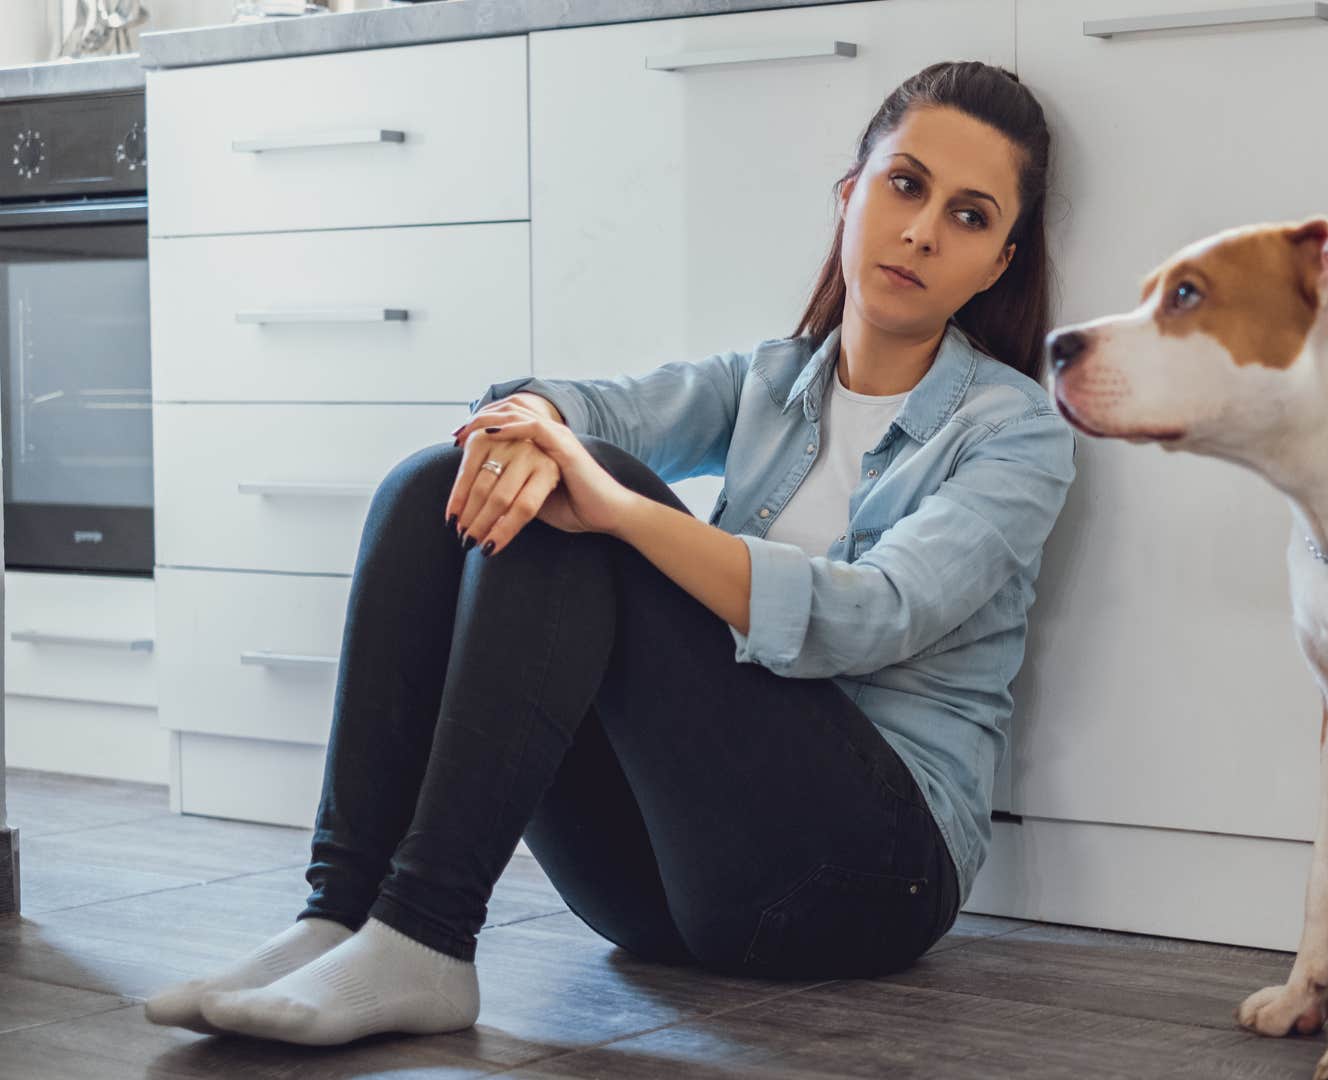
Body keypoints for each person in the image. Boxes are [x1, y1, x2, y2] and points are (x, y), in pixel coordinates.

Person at [142, 59, 1076, 1047]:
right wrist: (531, 421)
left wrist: (623, 511)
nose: (924, 230)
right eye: (905, 185)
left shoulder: (1014, 431)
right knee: (435, 484)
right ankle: (340, 912)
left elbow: (873, 614)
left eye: (970, 217)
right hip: (662, 892)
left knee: (592, 507)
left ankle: (425, 933)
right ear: (851, 196)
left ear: (1000, 262)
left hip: (869, 879)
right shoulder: (766, 382)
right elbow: (601, 407)